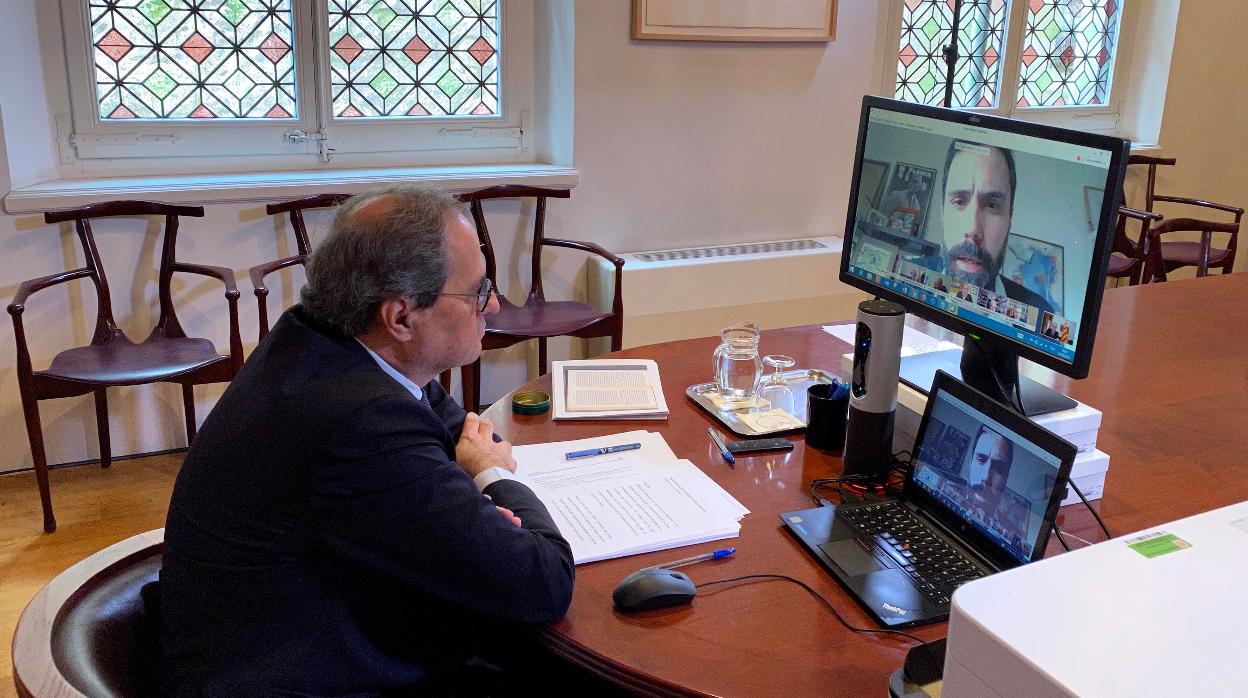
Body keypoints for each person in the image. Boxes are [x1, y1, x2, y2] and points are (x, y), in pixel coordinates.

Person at [158, 185, 576, 696]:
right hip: (310, 676)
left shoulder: (318, 338)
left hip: (312, 632)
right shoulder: (361, 419)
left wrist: (466, 499)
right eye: (476, 291)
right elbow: (541, 583)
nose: (492, 303)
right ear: (401, 317)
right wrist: (488, 474)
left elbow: (451, 427)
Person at [916, 142, 1054, 314]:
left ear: (1009, 218)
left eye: (991, 205)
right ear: (943, 211)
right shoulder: (903, 275)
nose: (972, 229)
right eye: (959, 201)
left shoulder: (1040, 312)